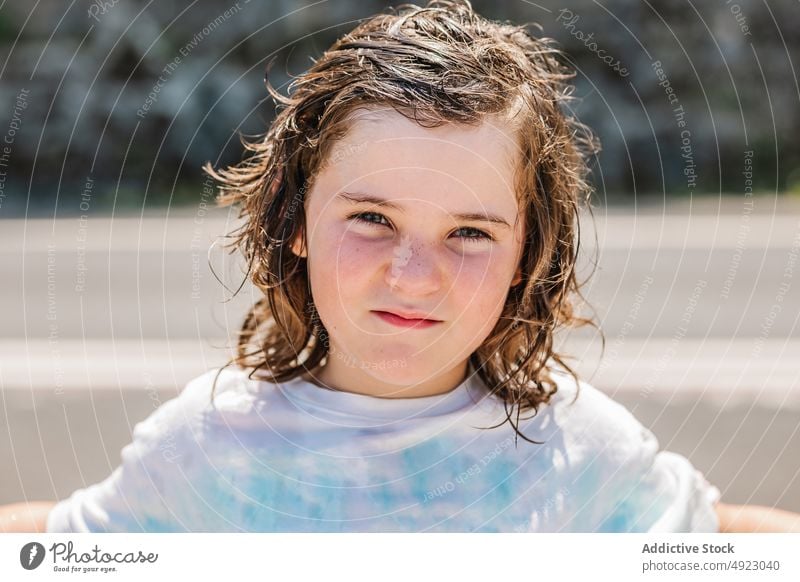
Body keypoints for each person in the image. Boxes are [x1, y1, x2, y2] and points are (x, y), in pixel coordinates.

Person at [3, 0, 799, 533]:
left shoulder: (582, 456)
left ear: (529, 251)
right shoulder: (207, 452)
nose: (414, 275)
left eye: (471, 234)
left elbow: (722, 538)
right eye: (373, 219)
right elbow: (63, 544)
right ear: (295, 216)